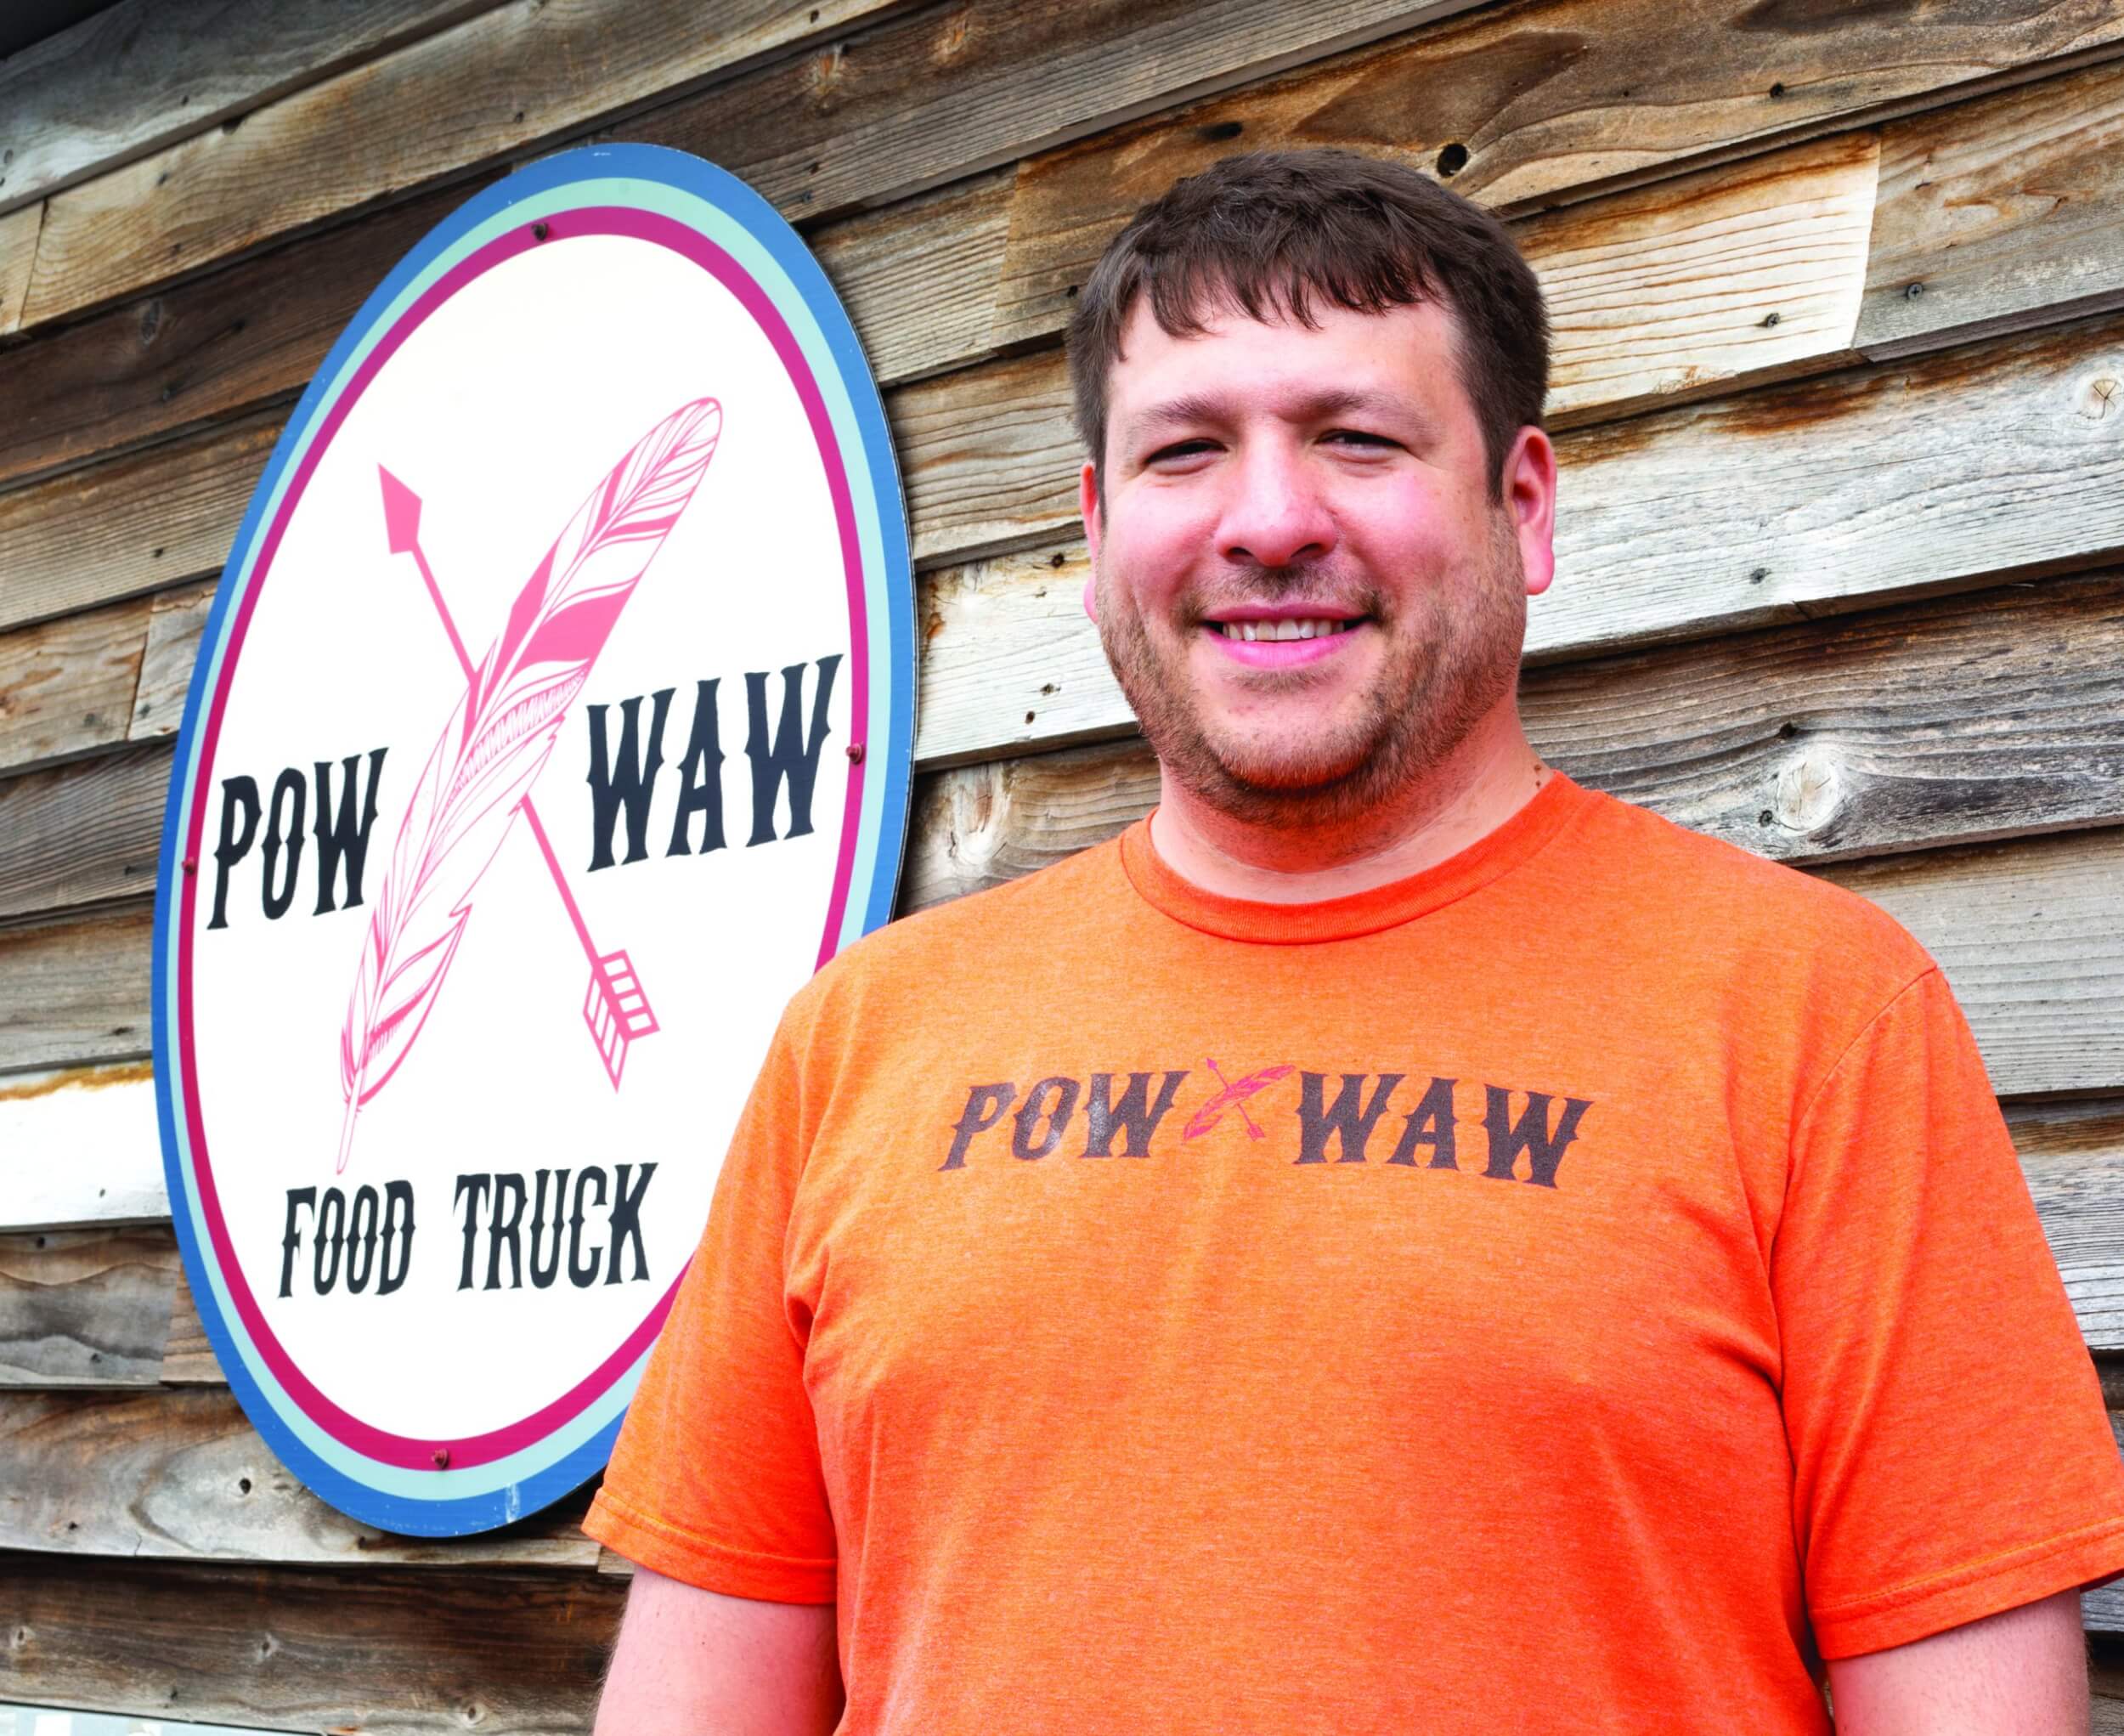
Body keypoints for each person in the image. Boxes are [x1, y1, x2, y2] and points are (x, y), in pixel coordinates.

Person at [585, 149, 2124, 1733]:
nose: (1269, 521)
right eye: (1187, 452)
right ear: (1101, 529)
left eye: (1355, 439)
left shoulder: (1813, 1014)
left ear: (1519, 505)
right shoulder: (862, 1041)